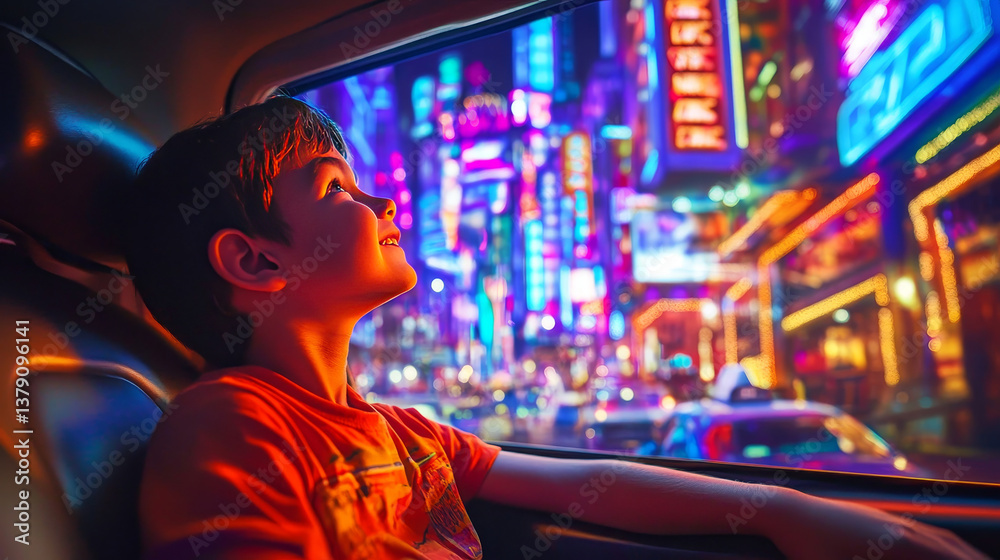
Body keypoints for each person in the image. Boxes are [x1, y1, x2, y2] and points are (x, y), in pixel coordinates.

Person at [123, 96, 985, 560]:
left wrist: (787, 513)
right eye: (336, 188)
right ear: (255, 262)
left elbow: (590, 483)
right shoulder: (230, 424)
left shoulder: (403, 433)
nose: (381, 201)